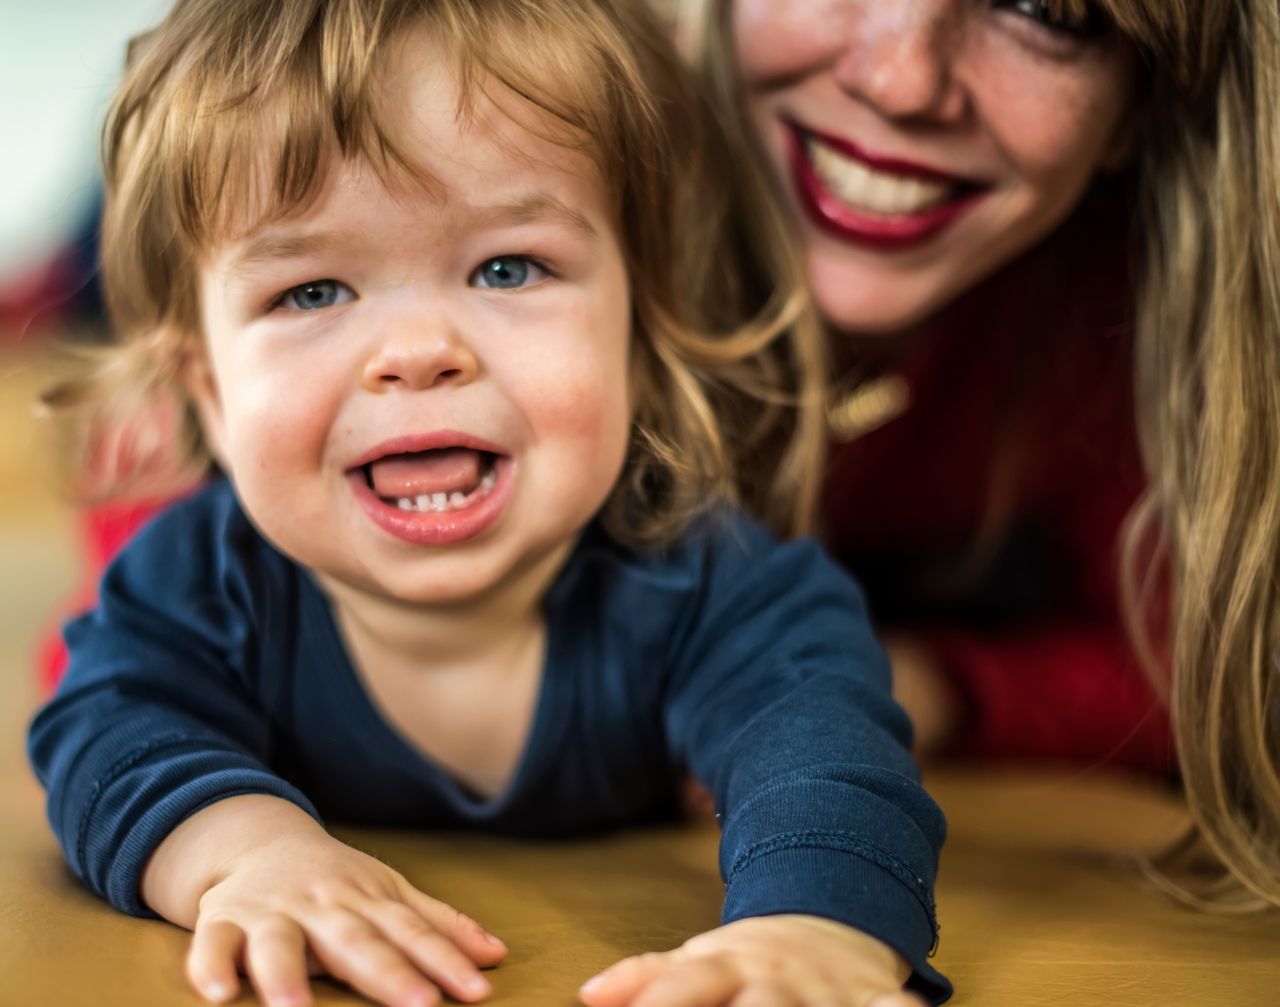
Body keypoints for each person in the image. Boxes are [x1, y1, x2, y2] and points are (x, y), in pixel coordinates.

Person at [26, 2, 949, 1007]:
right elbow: (106, 729)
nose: (417, 350)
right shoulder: (199, 580)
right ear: (206, 385)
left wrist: (813, 927)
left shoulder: (710, 577)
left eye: (507, 267)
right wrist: (245, 849)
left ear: (637, 333)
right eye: (312, 291)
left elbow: (827, 750)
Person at [678, 0, 1280, 910]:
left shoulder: (1115, 314)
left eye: (1051, 11)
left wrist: (939, 684)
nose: (900, 79)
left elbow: (1192, 668)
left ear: (1141, 104)